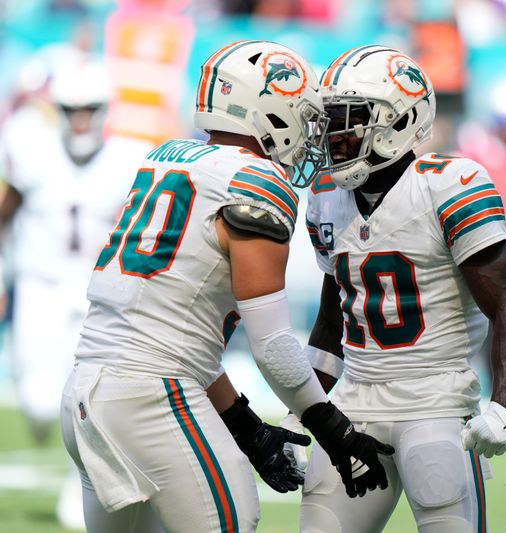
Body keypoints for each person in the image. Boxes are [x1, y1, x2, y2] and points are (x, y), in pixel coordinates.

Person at [59, 40, 394, 533]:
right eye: (302, 113)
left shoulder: (167, 159)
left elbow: (174, 334)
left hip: (86, 390)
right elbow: (273, 344)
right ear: (269, 109)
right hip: (150, 397)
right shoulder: (255, 180)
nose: (310, 130)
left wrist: (245, 425)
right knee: (234, 516)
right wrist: (332, 428)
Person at [296, 45, 506, 532]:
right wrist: (302, 412)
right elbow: (330, 326)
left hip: (435, 402)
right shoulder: (325, 198)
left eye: (350, 119)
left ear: (399, 122)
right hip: (353, 404)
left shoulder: (449, 186)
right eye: (329, 119)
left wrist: (502, 406)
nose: (333, 134)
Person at [0, 58, 152, 530]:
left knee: (83, 399)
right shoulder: (31, 149)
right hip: (39, 285)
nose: (81, 119)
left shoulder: (129, 159)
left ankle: (78, 484)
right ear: (58, 111)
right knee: (41, 400)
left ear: (105, 109)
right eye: (72, 109)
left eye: (90, 108)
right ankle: (47, 425)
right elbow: (6, 212)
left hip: (98, 295)